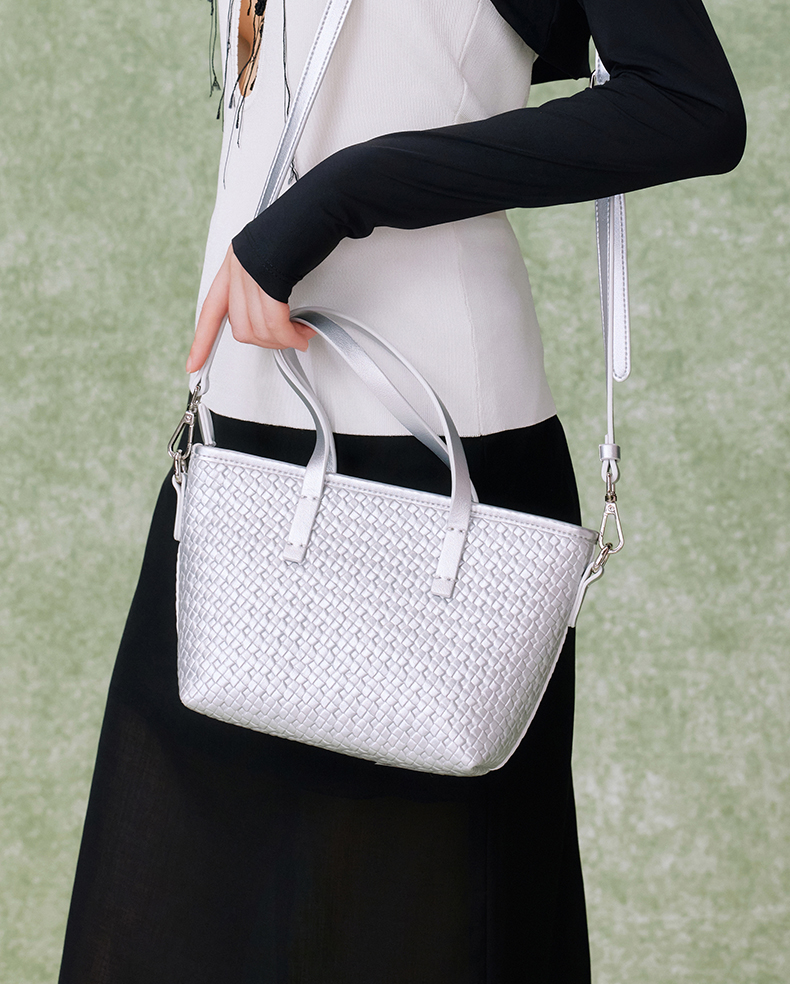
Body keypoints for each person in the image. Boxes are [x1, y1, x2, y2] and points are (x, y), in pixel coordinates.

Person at [58, 1, 745, 981]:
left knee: (421, 936)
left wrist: (342, 193)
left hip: (441, 462)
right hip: (235, 444)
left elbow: (689, 106)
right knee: (164, 919)